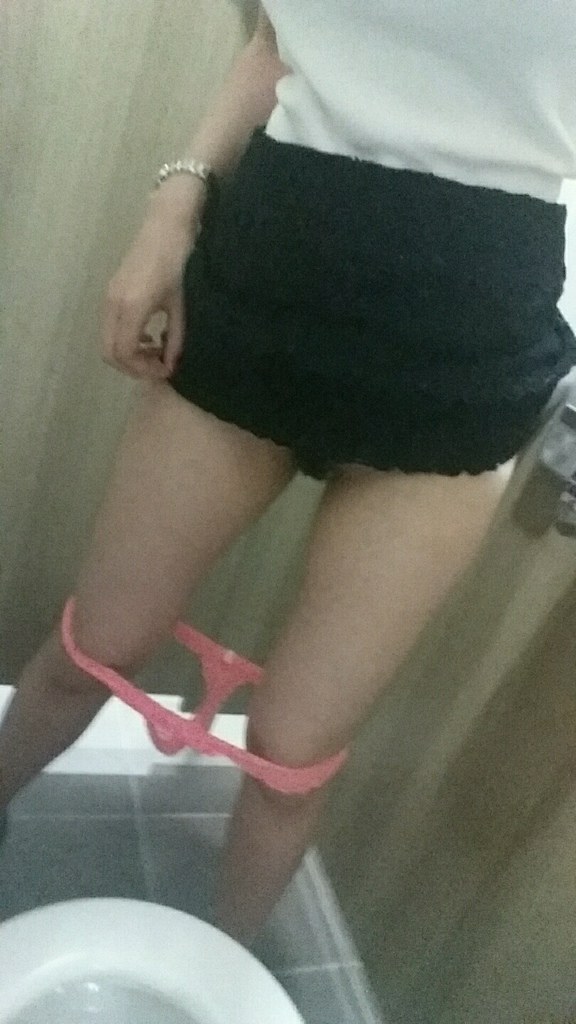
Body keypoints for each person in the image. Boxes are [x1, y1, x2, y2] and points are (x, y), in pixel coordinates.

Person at [1, 1, 576, 946]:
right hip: (269, 271)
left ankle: (219, 965)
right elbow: (279, 37)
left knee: (290, 757)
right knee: (96, 644)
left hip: (468, 340)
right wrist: (171, 207)